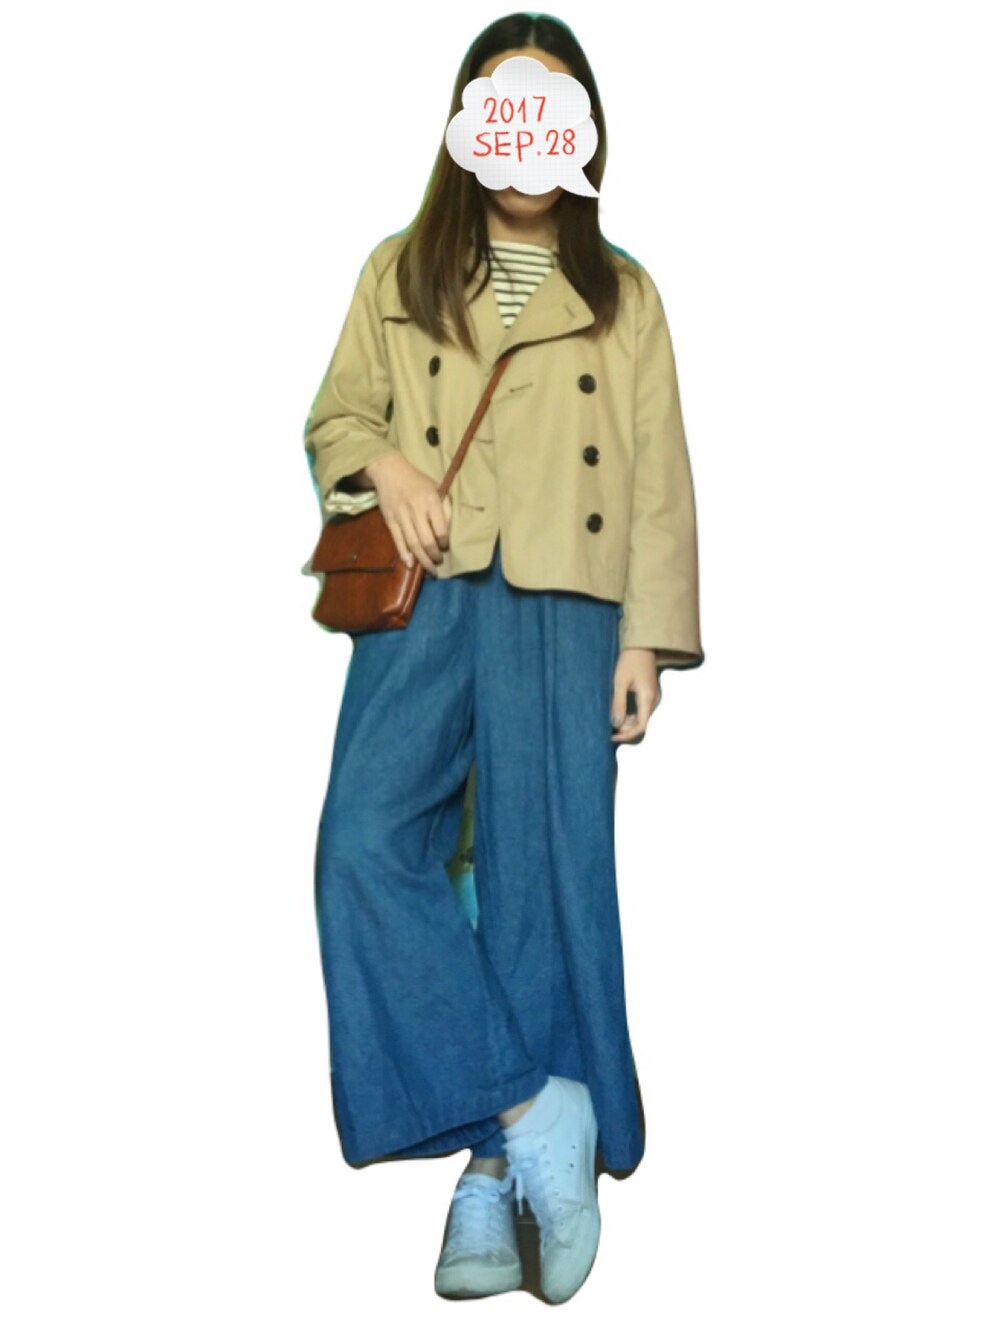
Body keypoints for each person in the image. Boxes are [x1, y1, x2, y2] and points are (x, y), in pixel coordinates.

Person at [302, 12, 704, 1305]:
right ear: (467, 126)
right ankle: (533, 1107)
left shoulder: (624, 292)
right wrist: (387, 464)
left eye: (550, 104)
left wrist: (646, 636)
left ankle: (494, 1175)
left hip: (567, 603)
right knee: (365, 842)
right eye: (502, 102)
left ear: (583, 129)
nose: (525, 132)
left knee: (535, 876)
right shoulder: (399, 269)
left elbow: (656, 478)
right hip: (431, 589)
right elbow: (338, 415)